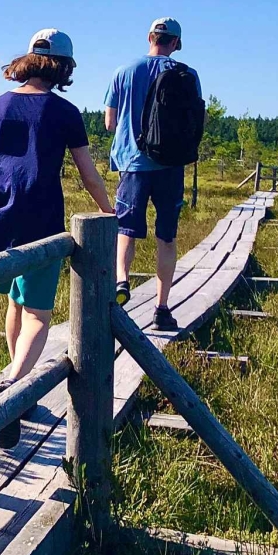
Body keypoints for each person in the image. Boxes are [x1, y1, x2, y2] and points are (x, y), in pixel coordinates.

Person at [0, 29, 113, 382]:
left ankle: (15, 376)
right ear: (62, 68)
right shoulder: (65, 112)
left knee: (15, 301)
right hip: (40, 221)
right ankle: (16, 384)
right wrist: (107, 209)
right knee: (37, 314)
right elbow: (88, 174)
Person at [103, 17, 197, 333]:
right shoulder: (187, 74)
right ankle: (161, 308)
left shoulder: (123, 72)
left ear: (150, 37)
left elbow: (110, 123)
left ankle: (121, 281)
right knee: (166, 236)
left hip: (133, 163)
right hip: (171, 165)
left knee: (126, 229)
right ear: (176, 43)